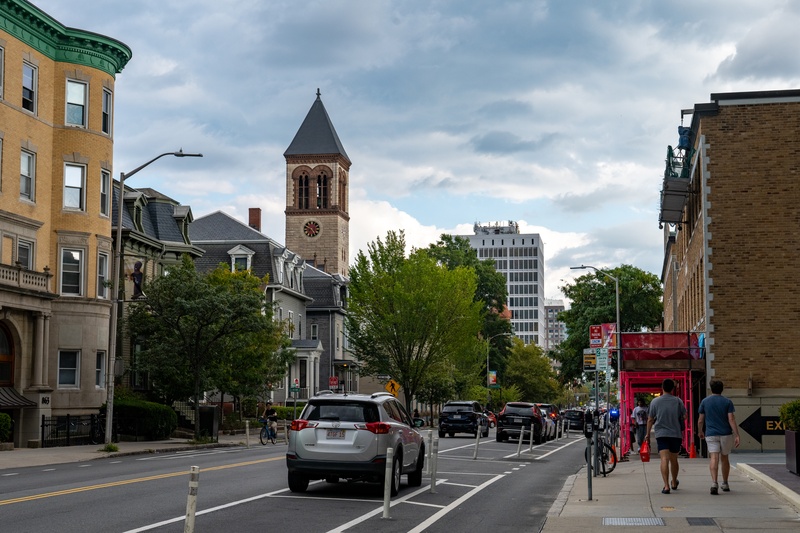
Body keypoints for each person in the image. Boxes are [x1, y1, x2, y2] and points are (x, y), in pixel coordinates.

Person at [697, 380, 740, 495]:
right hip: (726, 433)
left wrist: (700, 431)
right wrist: (737, 434)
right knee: (725, 458)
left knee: (714, 458)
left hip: (710, 433)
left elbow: (701, 419)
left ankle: (714, 482)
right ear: (722, 389)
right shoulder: (727, 402)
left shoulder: (705, 402)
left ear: (711, 389)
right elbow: (731, 419)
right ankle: (725, 483)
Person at [645, 378, 687, 494]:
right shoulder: (678, 401)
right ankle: (674, 481)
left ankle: (666, 486)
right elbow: (685, 416)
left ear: (662, 387)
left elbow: (650, 419)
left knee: (664, 458)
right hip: (675, 434)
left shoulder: (655, 402)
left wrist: (648, 434)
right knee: (674, 459)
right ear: (672, 389)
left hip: (661, 434)